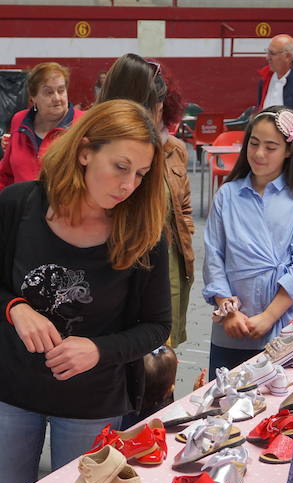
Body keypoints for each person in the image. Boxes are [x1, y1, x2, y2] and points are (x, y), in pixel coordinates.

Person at [0, 99, 171, 483]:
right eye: (120, 166)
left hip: (92, 401)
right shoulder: (18, 205)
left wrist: (98, 350)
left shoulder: (144, 230)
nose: (129, 185)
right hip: (8, 391)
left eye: (141, 174)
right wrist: (17, 309)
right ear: (84, 151)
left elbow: (156, 325)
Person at [203, 106, 293, 377]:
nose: (259, 154)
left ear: (289, 150)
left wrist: (269, 316)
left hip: (279, 327)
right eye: (254, 143)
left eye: (271, 147)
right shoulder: (227, 194)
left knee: (273, 406)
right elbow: (213, 257)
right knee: (222, 404)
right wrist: (228, 309)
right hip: (230, 325)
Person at [97, 54, 194, 349]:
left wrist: (181, 238)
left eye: (161, 108)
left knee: (161, 368)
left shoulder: (173, 150)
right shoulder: (97, 151)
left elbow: (184, 209)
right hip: (117, 278)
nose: (157, 117)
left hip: (167, 273)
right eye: (152, 109)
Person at [0, 62, 82, 225]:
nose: (57, 98)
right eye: (48, 92)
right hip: (23, 217)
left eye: (61, 90)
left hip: (67, 222)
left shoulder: (82, 125)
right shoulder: (19, 120)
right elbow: (6, 172)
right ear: (33, 97)